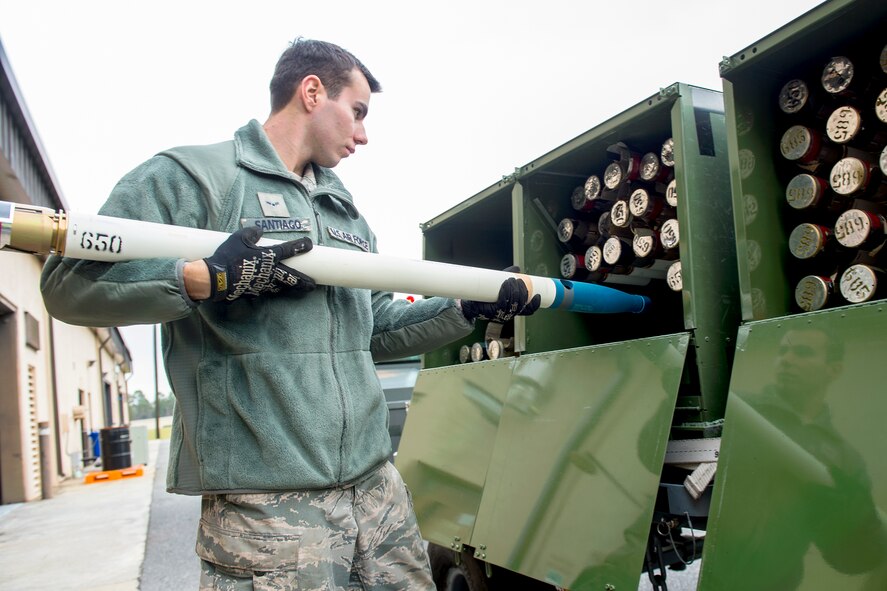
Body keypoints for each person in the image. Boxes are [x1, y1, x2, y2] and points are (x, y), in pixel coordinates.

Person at [40, 38, 539, 590]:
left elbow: (369, 329)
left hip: (376, 493)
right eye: (358, 112)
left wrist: (465, 307)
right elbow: (69, 285)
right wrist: (201, 278)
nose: (364, 134)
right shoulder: (196, 179)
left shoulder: (342, 208)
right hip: (268, 505)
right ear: (311, 91)